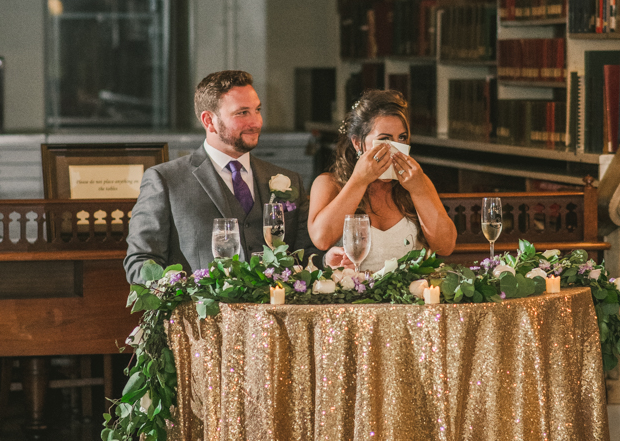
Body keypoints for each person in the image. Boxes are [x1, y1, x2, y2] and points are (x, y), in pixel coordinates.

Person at [124, 69, 313, 283]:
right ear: (209, 121)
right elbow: (140, 263)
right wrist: (182, 289)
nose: (256, 122)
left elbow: (306, 253)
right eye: (242, 113)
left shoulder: (288, 180)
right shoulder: (166, 181)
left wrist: (328, 260)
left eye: (257, 110)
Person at [308, 89, 457, 273]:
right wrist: (359, 181)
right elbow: (321, 239)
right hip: (354, 297)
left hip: (410, 296)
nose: (396, 148)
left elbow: (446, 246)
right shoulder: (329, 184)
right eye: (384, 139)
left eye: (402, 138)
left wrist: (419, 190)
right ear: (357, 143)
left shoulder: (417, 182)